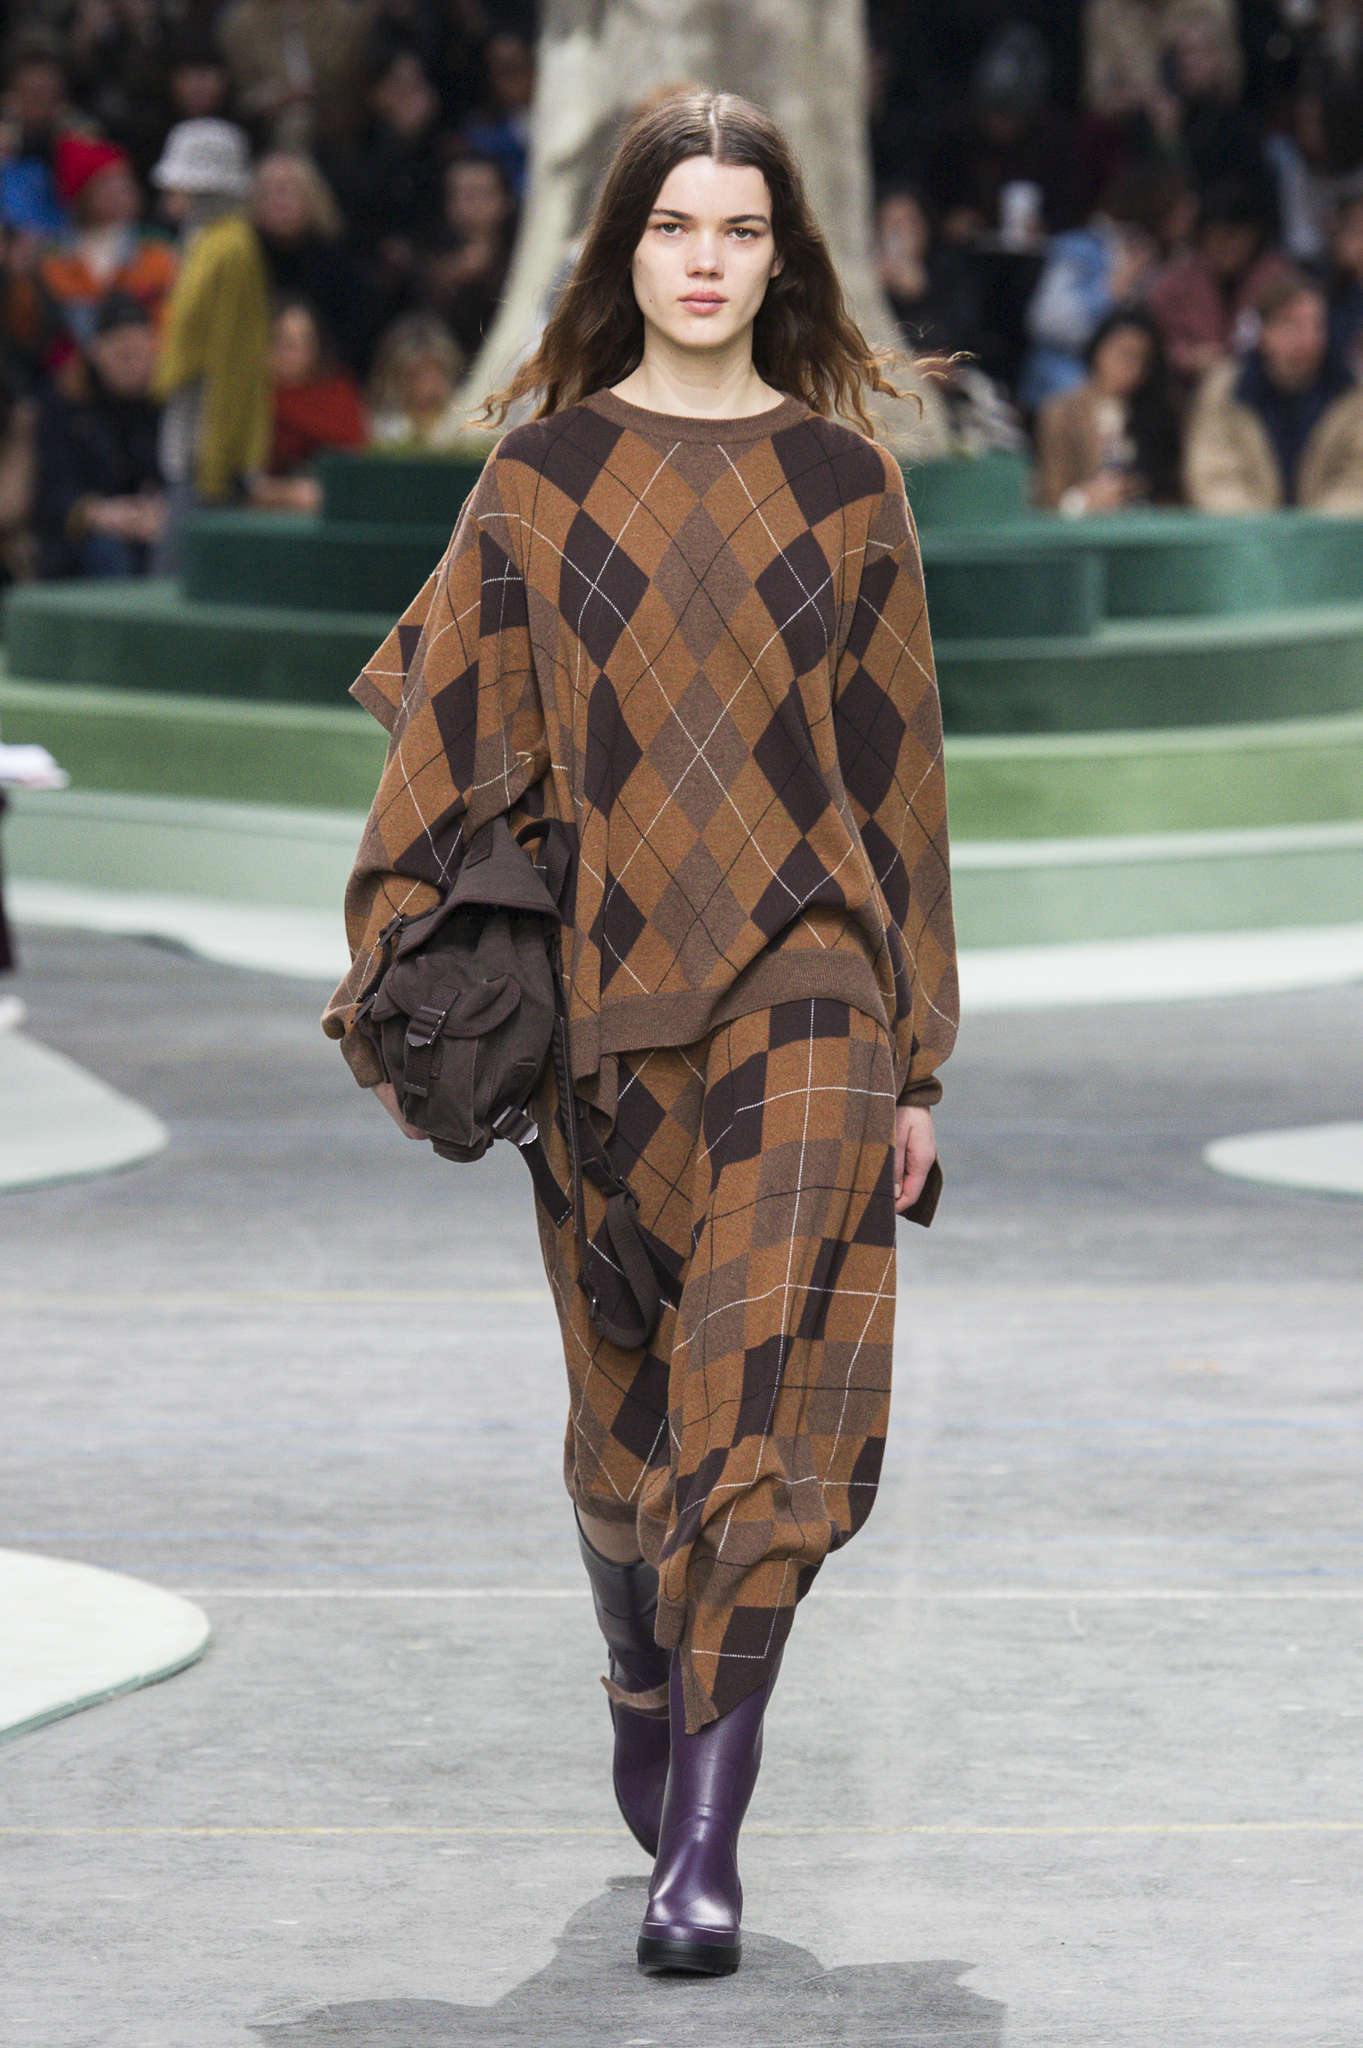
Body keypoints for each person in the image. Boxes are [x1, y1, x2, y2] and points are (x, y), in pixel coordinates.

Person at [323, 90, 959, 1976]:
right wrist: (407, 977)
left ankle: (704, 1840)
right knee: (627, 1432)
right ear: (624, 250)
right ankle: (635, 1658)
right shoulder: (542, 480)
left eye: (739, 229)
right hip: (606, 1006)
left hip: (811, 989)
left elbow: (899, 785)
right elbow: (451, 739)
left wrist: (915, 1058)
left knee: (759, 1408)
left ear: (781, 258)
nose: (704, 259)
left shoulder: (846, 486)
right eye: (674, 224)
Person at [149, 119, 271, 552]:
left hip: (205, 433)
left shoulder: (231, 247)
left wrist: (217, 458)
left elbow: (230, 356)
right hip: (190, 421)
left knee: (182, 559)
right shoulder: (204, 241)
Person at [1184, 270, 1363, 510]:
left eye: (1317, 325)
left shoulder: (1353, 392)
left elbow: (1356, 479)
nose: (1307, 338)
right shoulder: (1224, 389)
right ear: (1264, 331)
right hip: (1246, 529)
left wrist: (1317, 528)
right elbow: (1214, 475)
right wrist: (1263, 529)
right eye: (1291, 324)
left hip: (1331, 531)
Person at [34, 292, 164, 576]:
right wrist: (96, 513)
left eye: (141, 352)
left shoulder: (163, 403)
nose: (133, 365)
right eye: (122, 354)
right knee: (107, 551)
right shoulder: (65, 402)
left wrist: (160, 507)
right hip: (83, 535)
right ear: (96, 351)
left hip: (149, 524)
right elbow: (50, 490)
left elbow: (173, 474)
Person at [1034, 304, 1183, 510]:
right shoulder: (1061, 414)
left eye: (1142, 359)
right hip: (1084, 524)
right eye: (1123, 354)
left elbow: (1173, 492)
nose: (1132, 367)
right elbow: (1047, 496)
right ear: (1099, 350)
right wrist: (1082, 501)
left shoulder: (1159, 414)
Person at [252, 295, 366, 512]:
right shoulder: (249, 402)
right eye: (283, 342)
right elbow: (239, 478)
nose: (291, 352)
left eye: (302, 343)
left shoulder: (337, 395)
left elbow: (355, 463)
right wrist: (287, 493)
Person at [365, 309, 464, 449]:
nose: (426, 387)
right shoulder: (381, 431)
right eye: (416, 375)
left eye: (435, 374)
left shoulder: (470, 422)